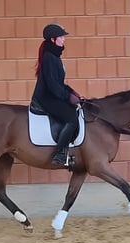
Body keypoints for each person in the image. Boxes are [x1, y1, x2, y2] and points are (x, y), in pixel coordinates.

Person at [31, 23, 81, 165]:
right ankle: (59, 155)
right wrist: (67, 97)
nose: (63, 39)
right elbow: (52, 86)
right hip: (46, 98)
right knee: (71, 119)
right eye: (61, 37)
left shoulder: (54, 56)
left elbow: (59, 83)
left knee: (75, 110)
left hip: (52, 95)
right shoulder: (49, 57)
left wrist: (72, 92)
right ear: (53, 39)